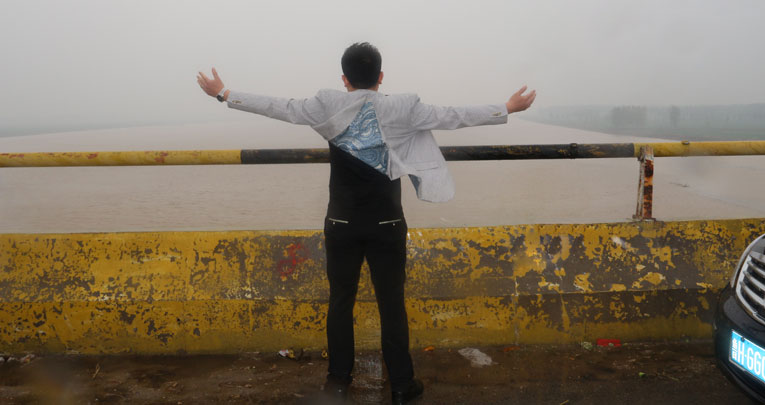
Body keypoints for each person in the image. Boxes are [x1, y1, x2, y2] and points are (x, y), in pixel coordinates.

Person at [197, 42, 536, 404]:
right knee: (392, 304)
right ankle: (402, 385)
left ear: (344, 79)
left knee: (340, 302)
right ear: (381, 76)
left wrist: (224, 94)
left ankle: (337, 384)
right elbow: (452, 116)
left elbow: (280, 107)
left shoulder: (326, 105)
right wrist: (506, 108)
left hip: (341, 221)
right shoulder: (403, 107)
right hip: (387, 222)